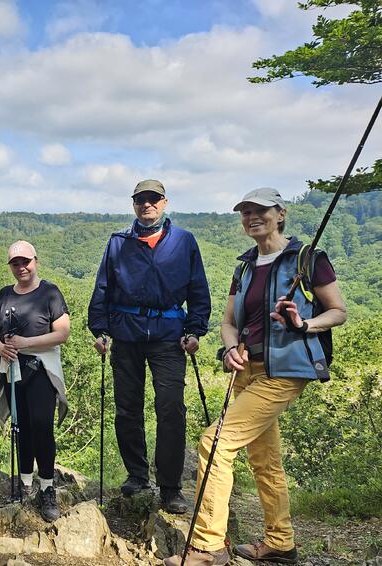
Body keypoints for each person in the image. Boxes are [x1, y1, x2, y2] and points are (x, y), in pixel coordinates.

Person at [164, 188, 347, 566]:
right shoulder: (245, 267)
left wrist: (304, 323)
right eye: (245, 212)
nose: (251, 217)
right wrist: (229, 347)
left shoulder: (307, 259)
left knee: (215, 444)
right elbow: (230, 323)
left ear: (280, 214)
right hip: (247, 370)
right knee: (264, 461)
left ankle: (208, 546)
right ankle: (280, 542)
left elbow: (338, 312)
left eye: (260, 211)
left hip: (284, 371)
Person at [88, 179, 211, 514]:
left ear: (164, 202)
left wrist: (195, 329)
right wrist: (99, 329)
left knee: (170, 409)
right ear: (133, 205)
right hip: (126, 334)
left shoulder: (184, 241)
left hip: (169, 336)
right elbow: (103, 288)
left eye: (153, 199)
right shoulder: (118, 242)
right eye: (141, 200)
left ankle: (170, 488)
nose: (147, 205)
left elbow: (198, 289)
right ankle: (137, 475)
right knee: (127, 408)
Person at [0, 240, 70, 523]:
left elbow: (62, 333)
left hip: (41, 370)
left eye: (26, 262)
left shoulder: (50, 293)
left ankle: (47, 487)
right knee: (20, 428)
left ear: (36, 261)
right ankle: (24, 483)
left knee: (42, 427)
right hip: (12, 369)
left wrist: (25, 343)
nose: (21, 267)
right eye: (16, 263)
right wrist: (0, 347)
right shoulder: (4, 295)